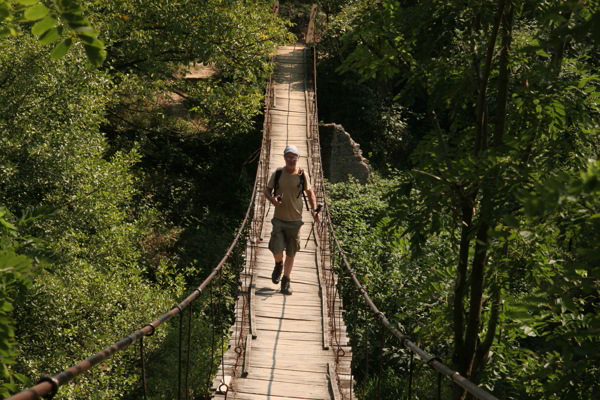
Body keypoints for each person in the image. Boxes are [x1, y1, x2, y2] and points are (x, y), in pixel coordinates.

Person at [263, 145, 320, 295]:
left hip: (295, 221)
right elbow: (266, 191)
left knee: (291, 252)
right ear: (284, 157)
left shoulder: (302, 175)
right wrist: (272, 199)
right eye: (288, 156)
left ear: (298, 158)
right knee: (276, 248)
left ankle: (286, 281)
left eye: (293, 156)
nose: (290, 159)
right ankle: (278, 264)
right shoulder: (278, 173)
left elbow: (310, 193)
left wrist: (314, 211)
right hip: (279, 219)